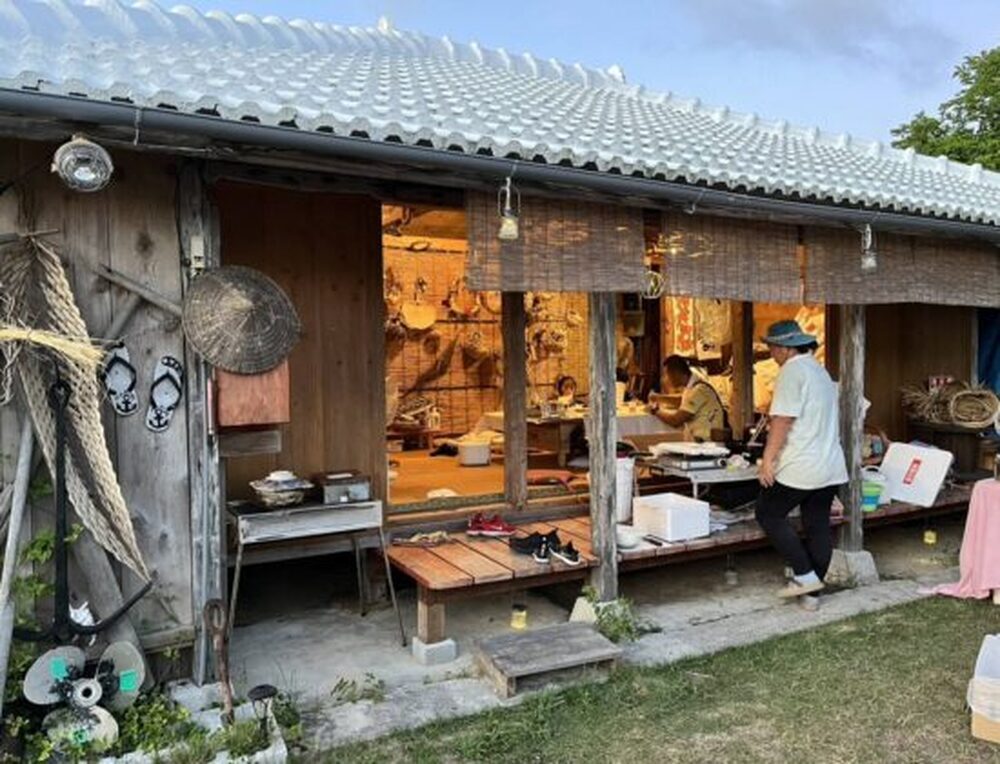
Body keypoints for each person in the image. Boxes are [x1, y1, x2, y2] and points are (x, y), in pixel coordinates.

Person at [755, 320, 848, 602]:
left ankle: (805, 577)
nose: (771, 353)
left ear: (785, 348)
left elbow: (783, 420)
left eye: (772, 347)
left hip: (802, 464)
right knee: (817, 523)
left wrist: (767, 459)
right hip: (830, 464)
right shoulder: (819, 370)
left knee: (768, 513)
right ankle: (812, 595)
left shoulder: (792, 371)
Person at [651, 355, 725, 441]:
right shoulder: (691, 388)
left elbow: (676, 420)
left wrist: (655, 411)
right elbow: (680, 400)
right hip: (698, 442)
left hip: (707, 444)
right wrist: (658, 398)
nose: (666, 379)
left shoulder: (699, 390)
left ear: (675, 374)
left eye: (666, 375)